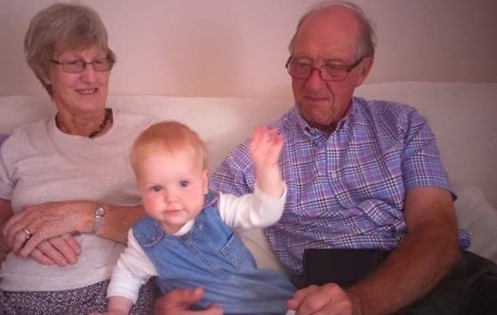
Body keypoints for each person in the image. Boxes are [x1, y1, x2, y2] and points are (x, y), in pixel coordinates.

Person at [159, 1, 497, 314]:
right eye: (302, 65)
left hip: (438, 275)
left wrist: (362, 301)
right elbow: (180, 211)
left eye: (333, 67)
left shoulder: (404, 124)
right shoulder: (257, 155)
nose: (314, 84)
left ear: (363, 71)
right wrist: (104, 213)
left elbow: (436, 229)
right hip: (331, 289)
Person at [0, 3, 158, 314]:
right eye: (74, 63)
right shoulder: (19, 143)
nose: (90, 75)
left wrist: (86, 215)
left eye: (99, 61)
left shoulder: (148, 135)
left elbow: (180, 223)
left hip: (108, 296)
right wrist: (11, 238)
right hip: (9, 298)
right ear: (44, 71)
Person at [97, 121, 295, 314]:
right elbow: (127, 274)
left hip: (265, 302)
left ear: (203, 182)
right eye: (157, 188)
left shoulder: (219, 208)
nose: (171, 198)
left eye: (183, 184)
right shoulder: (144, 238)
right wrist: (116, 310)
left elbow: (264, 213)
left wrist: (267, 169)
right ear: (141, 190)